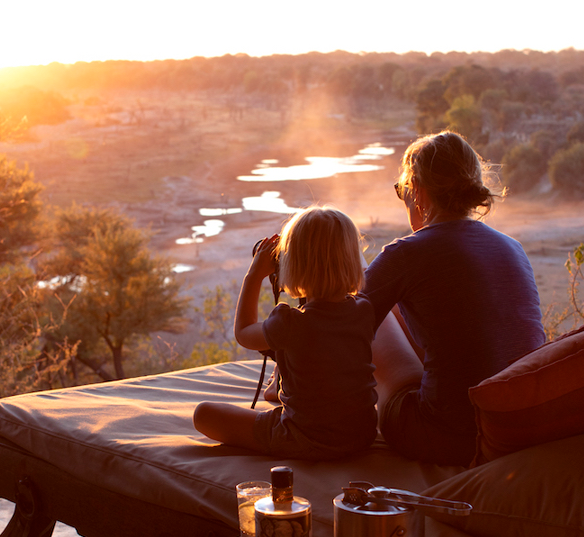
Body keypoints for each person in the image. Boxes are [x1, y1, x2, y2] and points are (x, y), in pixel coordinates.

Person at [363, 131, 545, 466]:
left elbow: (338, 333)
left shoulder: (408, 253)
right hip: (518, 426)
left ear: (417, 189)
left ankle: (283, 385)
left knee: (367, 299)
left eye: (402, 190)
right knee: (417, 304)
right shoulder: (512, 248)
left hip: (449, 436)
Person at [194, 206, 377, 460]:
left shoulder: (290, 323)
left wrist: (254, 275)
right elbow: (326, 349)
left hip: (305, 438)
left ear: (292, 266)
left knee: (203, 414)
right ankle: (278, 391)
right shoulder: (363, 311)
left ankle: (279, 401)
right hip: (360, 435)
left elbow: (244, 332)